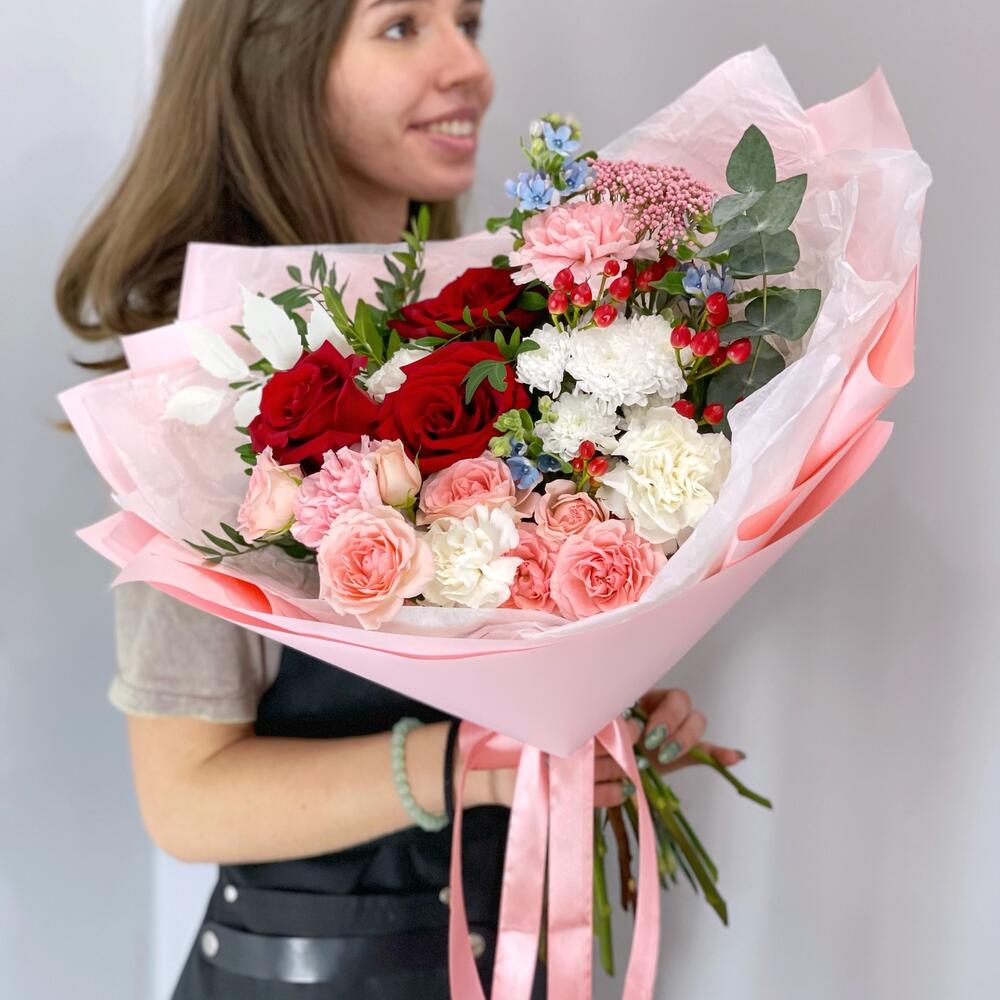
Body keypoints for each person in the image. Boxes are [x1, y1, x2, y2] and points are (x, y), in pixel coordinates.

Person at [56, 1, 746, 996]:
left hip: (512, 950)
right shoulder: (200, 386)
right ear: (276, 63)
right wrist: (479, 758)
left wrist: (597, 716)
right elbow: (187, 801)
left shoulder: (504, 341)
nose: (469, 66)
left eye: (468, 21)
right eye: (400, 26)